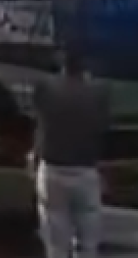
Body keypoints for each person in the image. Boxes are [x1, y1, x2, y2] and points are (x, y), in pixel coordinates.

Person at [33, 47, 111, 258]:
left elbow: (39, 122)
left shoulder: (45, 87)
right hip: (85, 170)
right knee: (87, 242)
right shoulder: (99, 92)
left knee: (56, 243)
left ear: (62, 63)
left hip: (53, 169)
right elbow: (102, 128)